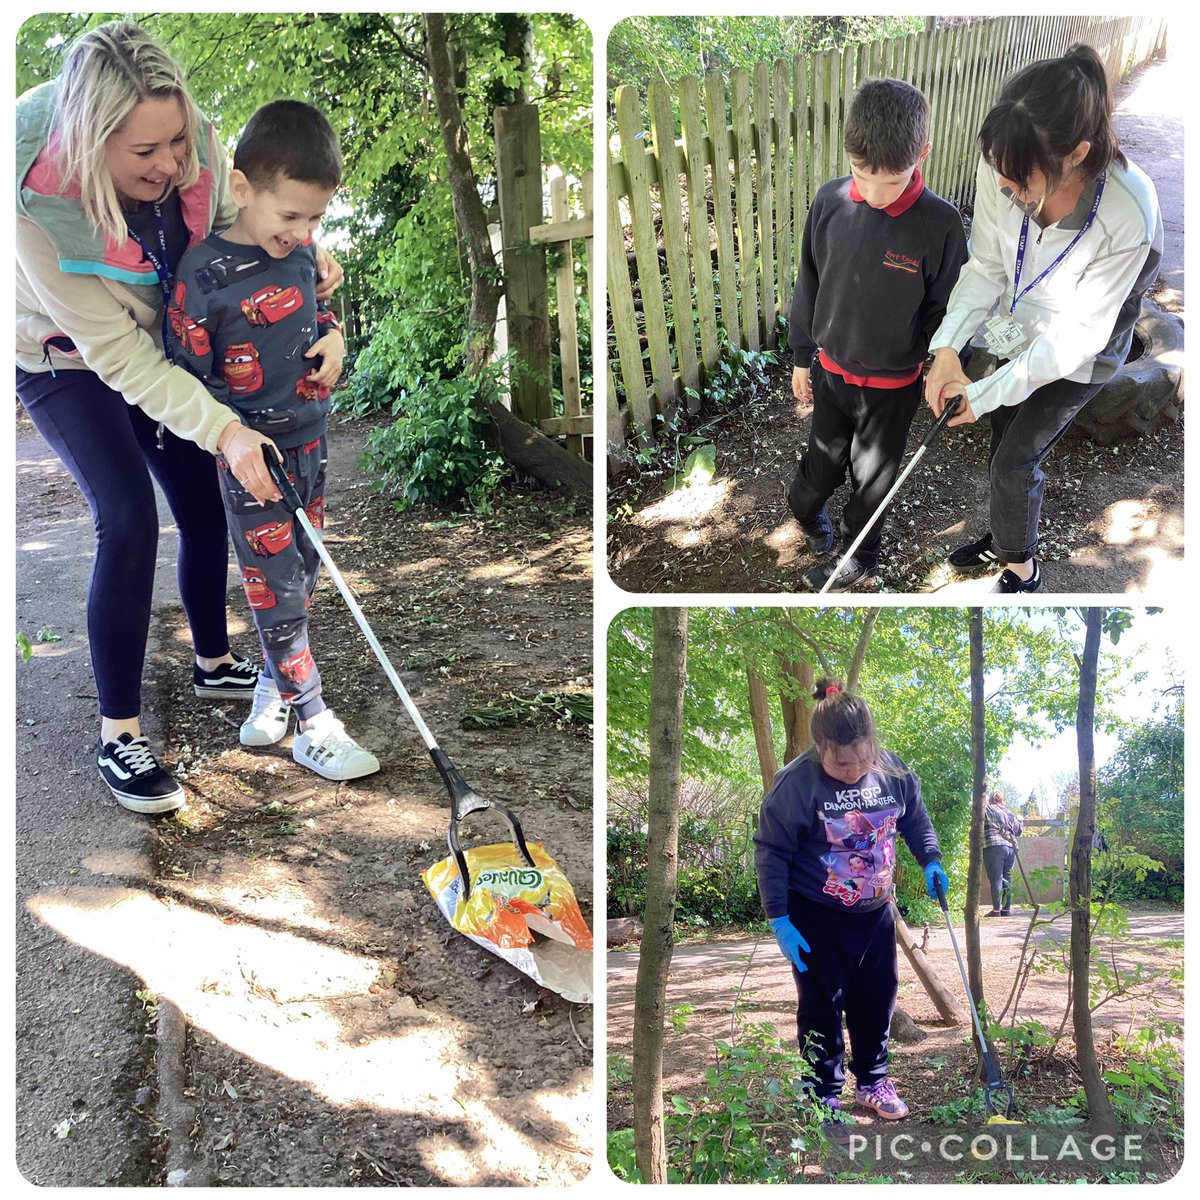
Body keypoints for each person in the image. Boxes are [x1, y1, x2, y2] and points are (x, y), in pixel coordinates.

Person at [15, 21, 345, 814]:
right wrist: (227, 428)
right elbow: (123, 361)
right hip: (67, 358)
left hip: (171, 345)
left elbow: (243, 240)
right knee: (127, 517)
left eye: (177, 143)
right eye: (143, 154)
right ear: (92, 143)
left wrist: (305, 265)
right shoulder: (31, 205)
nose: (169, 164)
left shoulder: (188, 145)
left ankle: (211, 661)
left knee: (203, 504)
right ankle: (120, 734)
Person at [167, 100, 379, 782]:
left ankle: (274, 686)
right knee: (273, 587)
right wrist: (227, 441)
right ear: (240, 189)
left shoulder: (307, 254)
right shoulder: (201, 275)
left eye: (316, 218)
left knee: (303, 572)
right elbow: (182, 381)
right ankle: (314, 722)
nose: (304, 231)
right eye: (290, 215)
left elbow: (320, 313)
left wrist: (339, 336)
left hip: (312, 444)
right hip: (252, 462)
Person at [924, 44, 1163, 593]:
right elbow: (986, 264)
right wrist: (946, 349)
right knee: (1004, 430)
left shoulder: (1130, 215)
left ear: (1075, 155)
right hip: (1022, 316)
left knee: (1015, 461)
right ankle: (1006, 535)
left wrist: (980, 394)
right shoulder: (1004, 164)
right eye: (1000, 177)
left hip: (1083, 345)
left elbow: (1078, 337)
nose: (1005, 190)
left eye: (1019, 183)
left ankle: (1021, 568)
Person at [786, 78, 968, 592]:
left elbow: (951, 310)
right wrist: (803, 356)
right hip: (833, 374)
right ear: (848, 154)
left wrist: (947, 366)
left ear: (922, 155)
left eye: (891, 182)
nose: (874, 193)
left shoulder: (940, 224)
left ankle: (859, 555)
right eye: (862, 175)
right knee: (822, 467)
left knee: (874, 479)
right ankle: (804, 510)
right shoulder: (830, 203)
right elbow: (810, 281)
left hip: (894, 387)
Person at [753, 680, 949, 1128]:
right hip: (814, 916)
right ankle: (821, 1095)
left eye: (862, 757)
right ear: (819, 746)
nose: (853, 768)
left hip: (876, 911)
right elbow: (771, 852)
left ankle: (872, 1082)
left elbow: (916, 818)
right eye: (841, 761)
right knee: (822, 1005)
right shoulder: (795, 785)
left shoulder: (892, 771)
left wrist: (931, 859)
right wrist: (780, 919)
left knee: (876, 999)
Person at [982, 791, 1023, 916]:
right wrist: (1020, 820)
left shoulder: (987, 808)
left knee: (996, 879)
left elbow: (977, 822)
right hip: (1011, 847)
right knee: (1007, 880)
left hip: (994, 845)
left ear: (991, 800)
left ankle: (996, 910)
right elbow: (1018, 831)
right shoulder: (1009, 812)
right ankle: (1006, 910)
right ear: (1002, 800)